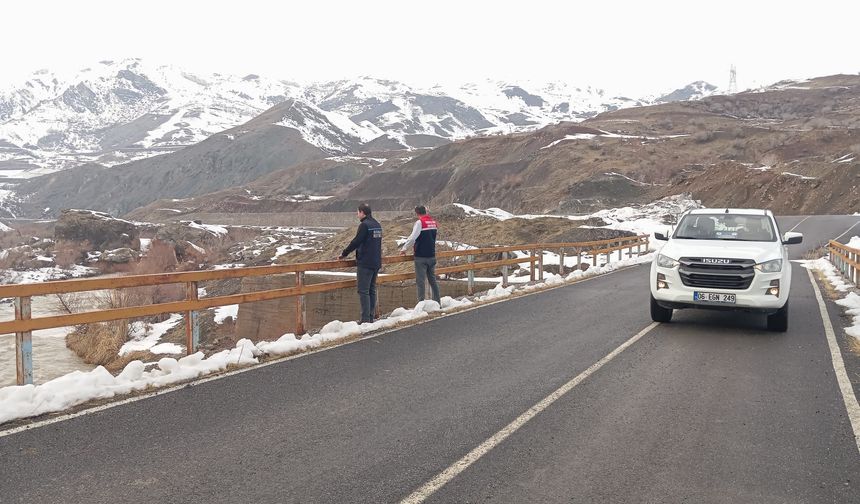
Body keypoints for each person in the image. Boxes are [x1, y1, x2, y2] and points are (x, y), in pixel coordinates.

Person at [339, 203, 383, 323]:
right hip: (376, 261)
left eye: (358, 212)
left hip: (366, 262)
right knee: (371, 289)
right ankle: (370, 316)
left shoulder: (365, 225)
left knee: (363, 290)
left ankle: (365, 319)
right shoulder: (377, 224)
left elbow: (356, 242)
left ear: (362, 212)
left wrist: (344, 253)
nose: (357, 214)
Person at [400, 205, 440, 304]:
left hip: (421, 257)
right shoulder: (433, 222)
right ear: (425, 211)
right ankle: (437, 302)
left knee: (420, 282)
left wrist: (404, 248)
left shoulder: (420, 223)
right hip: (431, 255)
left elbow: (413, 238)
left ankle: (420, 304)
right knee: (433, 281)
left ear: (417, 213)